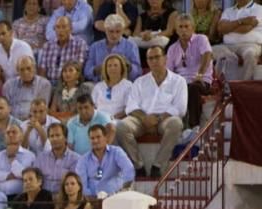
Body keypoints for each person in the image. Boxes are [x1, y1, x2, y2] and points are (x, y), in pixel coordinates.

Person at [115, 45, 187, 179]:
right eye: (150, 58)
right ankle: (138, 165)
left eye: (157, 57)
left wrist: (158, 119)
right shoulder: (139, 81)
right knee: (121, 126)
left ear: (165, 58)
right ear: (147, 62)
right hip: (141, 119)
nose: (154, 61)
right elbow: (131, 106)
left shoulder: (179, 81)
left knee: (176, 123)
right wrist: (145, 118)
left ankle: (158, 166)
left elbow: (180, 108)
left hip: (165, 119)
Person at [167, 14, 214, 129]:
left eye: (186, 26)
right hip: (181, 83)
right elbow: (169, 71)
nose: (184, 30)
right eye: (180, 27)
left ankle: (194, 126)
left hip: (201, 81)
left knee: (193, 88)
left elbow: (207, 55)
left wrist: (200, 74)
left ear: (193, 28)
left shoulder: (201, 39)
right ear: (176, 30)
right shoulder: (172, 48)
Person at [76, 124, 135, 196]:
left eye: (98, 137)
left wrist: (123, 190)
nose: (95, 140)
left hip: (115, 196)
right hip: (93, 199)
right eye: (92, 138)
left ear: (105, 137)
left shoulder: (116, 152)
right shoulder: (83, 160)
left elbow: (129, 170)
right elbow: (81, 184)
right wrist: (92, 197)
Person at [85, 14, 142, 82]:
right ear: (105, 30)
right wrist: (98, 69)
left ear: (123, 30)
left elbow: (138, 72)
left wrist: (128, 67)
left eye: (118, 31)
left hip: (123, 84)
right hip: (100, 84)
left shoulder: (131, 46)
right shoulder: (95, 47)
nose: (114, 35)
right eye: (111, 31)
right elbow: (87, 71)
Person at [38, 16, 89, 84]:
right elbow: (42, 71)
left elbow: (78, 69)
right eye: (58, 27)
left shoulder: (79, 44)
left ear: (71, 29)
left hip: (69, 83)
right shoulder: (48, 45)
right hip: (49, 83)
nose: (60, 30)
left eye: (64, 27)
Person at [35, 123, 80, 195]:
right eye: (51, 136)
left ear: (65, 138)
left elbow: (74, 184)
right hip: (44, 199)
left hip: (65, 198)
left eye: (58, 135)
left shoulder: (76, 159)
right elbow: (36, 180)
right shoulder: (41, 158)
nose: (54, 139)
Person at [2, 56, 52, 122]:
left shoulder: (44, 84)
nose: (25, 72)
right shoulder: (8, 85)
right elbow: (5, 108)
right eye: (22, 70)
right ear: (17, 70)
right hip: (12, 123)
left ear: (34, 68)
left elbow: (41, 110)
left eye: (28, 68)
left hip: (34, 122)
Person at [0, 20, 34, 89]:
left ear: (11, 32)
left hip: (24, 84)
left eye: (3, 33)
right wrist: (4, 94)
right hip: (6, 87)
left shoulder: (23, 47)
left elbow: (30, 72)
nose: (1, 37)